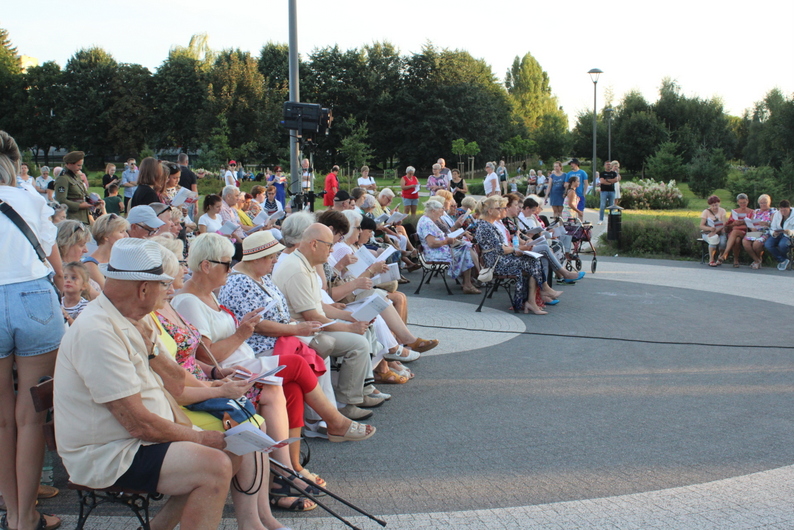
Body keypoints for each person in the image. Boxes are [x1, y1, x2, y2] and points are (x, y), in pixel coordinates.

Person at [54, 238, 234, 530]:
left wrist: (152, 351)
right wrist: (202, 439)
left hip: (136, 439)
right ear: (143, 289)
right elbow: (138, 424)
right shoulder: (98, 332)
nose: (171, 291)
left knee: (234, 450)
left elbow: (175, 383)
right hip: (109, 453)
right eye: (164, 285)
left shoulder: (136, 317)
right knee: (215, 465)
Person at [0, 131, 64, 530]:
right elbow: (54, 259)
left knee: (2, 420)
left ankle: (10, 511)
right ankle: (27, 518)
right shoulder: (29, 196)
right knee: (32, 415)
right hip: (33, 295)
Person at [272, 224, 378, 420]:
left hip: (311, 325)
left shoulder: (305, 263)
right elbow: (313, 316)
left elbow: (318, 305)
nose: (332, 250)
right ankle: (348, 403)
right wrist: (350, 327)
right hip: (305, 331)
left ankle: (358, 393)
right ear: (313, 244)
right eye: (329, 245)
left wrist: (351, 317)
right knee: (359, 343)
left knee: (364, 332)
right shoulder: (298, 270)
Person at [476, 196, 550, 314]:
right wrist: (519, 249)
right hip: (496, 263)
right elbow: (500, 249)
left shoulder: (490, 225)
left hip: (500, 258)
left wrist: (519, 249)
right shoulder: (485, 227)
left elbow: (502, 247)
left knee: (533, 259)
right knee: (532, 261)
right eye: (499, 208)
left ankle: (532, 300)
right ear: (490, 211)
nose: (501, 211)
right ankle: (534, 298)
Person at [417, 200, 478, 294]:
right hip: (435, 254)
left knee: (465, 247)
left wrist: (450, 238)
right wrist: (447, 241)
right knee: (465, 249)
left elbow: (437, 238)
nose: (443, 211)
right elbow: (432, 243)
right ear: (433, 211)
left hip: (439, 250)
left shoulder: (429, 220)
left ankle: (468, 282)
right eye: (441, 209)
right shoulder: (427, 223)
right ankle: (468, 284)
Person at [82, 213, 129, 290]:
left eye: (125, 231)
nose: (126, 236)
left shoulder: (121, 260)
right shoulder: (90, 265)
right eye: (121, 232)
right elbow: (109, 292)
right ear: (106, 236)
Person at [54, 151, 99, 225]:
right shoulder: (63, 179)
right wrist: (79, 206)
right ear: (69, 164)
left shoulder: (75, 176)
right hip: (72, 218)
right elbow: (61, 200)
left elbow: (83, 194)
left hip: (83, 217)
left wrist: (94, 201)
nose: (80, 168)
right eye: (78, 165)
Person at [718, 193, 754, 268]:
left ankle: (725, 254)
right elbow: (728, 226)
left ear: (747, 201)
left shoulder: (752, 212)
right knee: (737, 240)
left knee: (735, 232)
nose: (743, 204)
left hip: (746, 232)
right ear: (738, 202)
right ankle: (736, 260)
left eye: (744, 202)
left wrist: (743, 222)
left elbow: (753, 225)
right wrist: (734, 224)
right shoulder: (735, 211)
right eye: (741, 203)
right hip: (734, 233)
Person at [743, 194, 774, 270]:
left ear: (769, 202)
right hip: (756, 231)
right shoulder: (756, 211)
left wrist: (767, 224)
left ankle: (758, 260)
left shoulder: (772, 211)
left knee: (756, 244)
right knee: (745, 241)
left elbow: (774, 224)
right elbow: (750, 222)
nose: (763, 205)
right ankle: (757, 260)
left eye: (765, 202)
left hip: (765, 232)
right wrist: (752, 228)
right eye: (761, 203)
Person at [765, 199, 794, 271]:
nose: (783, 212)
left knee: (782, 245)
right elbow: (773, 227)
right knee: (768, 244)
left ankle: (786, 260)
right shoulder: (777, 214)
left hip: (789, 235)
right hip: (779, 233)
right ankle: (783, 260)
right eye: (782, 210)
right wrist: (773, 233)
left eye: (785, 211)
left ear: (789, 208)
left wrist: (790, 232)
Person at [699, 195, 728, 266]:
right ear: (709, 205)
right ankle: (711, 259)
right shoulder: (706, 212)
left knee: (723, 243)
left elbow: (724, 223)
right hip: (708, 232)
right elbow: (701, 226)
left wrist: (715, 231)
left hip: (720, 232)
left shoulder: (722, 211)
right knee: (713, 239)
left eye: (716, 205)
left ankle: (720, 257)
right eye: (713, 205)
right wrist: (710, 229)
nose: (715, 207)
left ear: (719, 203)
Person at [177, 153, 198, 220]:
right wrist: (196, 206)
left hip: (176, 200)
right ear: (187, 162)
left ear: (178, 161)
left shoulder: (175, 173)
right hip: (188, 201)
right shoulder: (191, 174)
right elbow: (194, 190)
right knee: (188, 220)